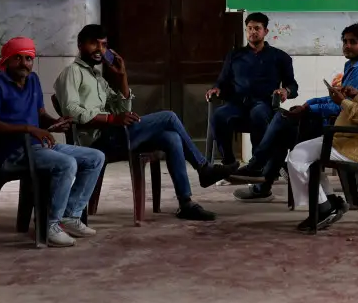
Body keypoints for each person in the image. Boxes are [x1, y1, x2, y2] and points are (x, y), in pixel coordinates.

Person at [54, 24, 235, 221]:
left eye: (104, 45)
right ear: (80, 45)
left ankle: (186, 203)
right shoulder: (72, 72)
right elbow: (71, 111)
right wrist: (112, 119)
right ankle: (203, 168)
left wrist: (122, 76)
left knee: (172, 137)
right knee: (169, 117)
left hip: (114, 136)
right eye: (93, 44)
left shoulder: (97, 76)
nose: (100, 50)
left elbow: (122, 110)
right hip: (94, 143)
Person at [230, 23, 358, 201]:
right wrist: (308, 105)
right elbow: (335, 98)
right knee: (280, 129)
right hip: (331, 123)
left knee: (280, 121)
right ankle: (260, 179)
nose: (347, 45)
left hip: (335, 128)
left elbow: (339, 106)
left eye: (352, 42)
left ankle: (258, 173)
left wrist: (307, 110)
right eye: (345, 41)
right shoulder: (352, 65)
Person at [280, 27, 358, 232]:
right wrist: (356, 94)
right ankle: (330, 202)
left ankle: (324, 207)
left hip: (353, 144)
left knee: (295, 158)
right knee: (301, 155)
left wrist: (343, 102)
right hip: (347, 138)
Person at [0, 37, 105, 248]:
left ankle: (70, 215)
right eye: (17, 58)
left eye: (28, 58)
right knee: (66, 164)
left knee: (95, 157)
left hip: (37, 147)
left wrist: (55, 122)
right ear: (6, 61)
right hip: (13, 152)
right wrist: (29, 129)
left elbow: (39, 114)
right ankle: (50, 225)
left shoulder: (33, 80)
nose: (24, 63)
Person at [206, 12, 299, 164]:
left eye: (257, 28)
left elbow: (293, 86)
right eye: (249, 28)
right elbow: (222, 81)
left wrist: (285, 91)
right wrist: (216, 88)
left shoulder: (280, 57)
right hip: (237, 104)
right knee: (218, 116)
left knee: (258, 114)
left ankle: (257, 164)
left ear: (265, 31)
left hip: (263, 104)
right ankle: (228, 162)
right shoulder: (235, 55)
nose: (253, 32)